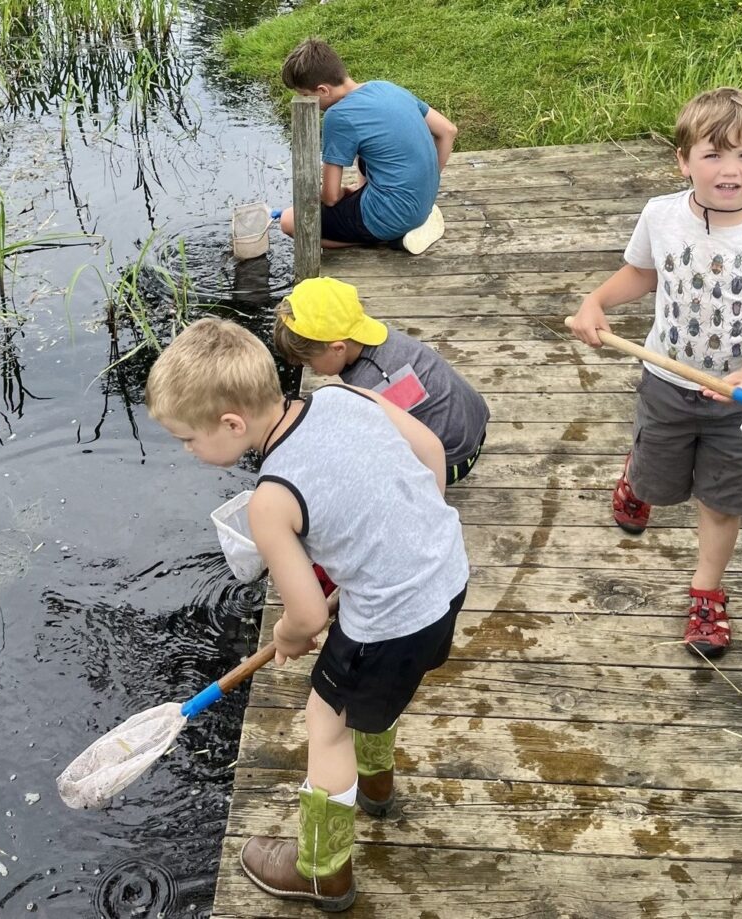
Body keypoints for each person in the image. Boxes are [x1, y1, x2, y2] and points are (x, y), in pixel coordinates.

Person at [145, 318, 468, 911]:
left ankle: (323, 871)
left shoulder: (271, 500)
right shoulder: (343, 394)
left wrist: (286, 635)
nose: (188, 450)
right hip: (448, 580)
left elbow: (307, 615)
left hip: (391, 621)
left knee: (325, 722)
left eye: (188, 438)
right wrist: (408, 537)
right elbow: (430, 451)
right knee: (367, 697)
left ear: (232, 425)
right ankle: (374, 787)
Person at [568, 87, 742, 657]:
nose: (730, 170)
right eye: (713, 154)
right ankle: (638, 475)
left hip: (737, 399)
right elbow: (641, 275)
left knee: (722, 500)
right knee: (656, 479)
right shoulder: (660, 215)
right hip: (665, 385)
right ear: (683, 160)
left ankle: (706, 593)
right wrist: (596, 302)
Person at [273, 276, 490, 486]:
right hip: (474, 419)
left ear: (338, 348)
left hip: (455, 459)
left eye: (309, 362)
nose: (312, 369)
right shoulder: (374, 337)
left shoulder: (372, 381)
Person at [278, 38, 457, 255]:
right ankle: (384, 224)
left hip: (391, 215)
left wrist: (335, 193)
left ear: (323, 90)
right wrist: (429, 179)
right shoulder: (386, 87)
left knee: (289, 221)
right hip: (424, 202)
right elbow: (448, 131)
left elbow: (332, 197)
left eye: (306, 96)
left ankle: (384, 239)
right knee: (366, 151)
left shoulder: (338, 116)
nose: (307, 102)